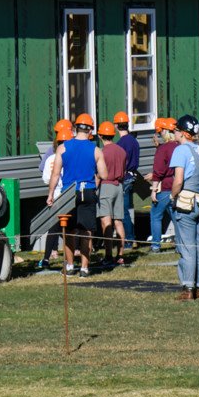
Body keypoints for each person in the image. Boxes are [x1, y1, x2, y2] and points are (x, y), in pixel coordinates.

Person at [47, 113, 107, 277]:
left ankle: (71, 265)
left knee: (70, 230)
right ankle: (84, 268)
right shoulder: (95, 149)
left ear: (75, 128)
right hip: (87, 191)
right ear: (90, 131)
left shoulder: (63, 148)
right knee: (87, 231)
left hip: (68, 193)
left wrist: (50, 194)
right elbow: (104, 174)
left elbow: (55, 174)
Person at [170, 114, 199, 301]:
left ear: (182, 133)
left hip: (186, 204)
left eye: (175, 130)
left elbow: (178, 180)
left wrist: (174, 196)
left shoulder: (180, 151)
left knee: (187, 247)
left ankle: (188, 288)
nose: (173, 133)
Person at [37, 119, 73, 270]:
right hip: (69, 195)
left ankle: (46, 258)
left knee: (53, 229)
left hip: (55, 194)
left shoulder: (51, 157)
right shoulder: (72, 155)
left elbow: (46, 177)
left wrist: (51, 193)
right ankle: (70, 260)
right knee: (70, 229)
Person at [97, 120, 128, 266]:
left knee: (106, 222)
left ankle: (108, 256)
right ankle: (120, 255)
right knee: (119, 222)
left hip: (106, 186)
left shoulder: (102, 152)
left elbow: (99, 174)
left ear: (101, 136)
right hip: (119, 186)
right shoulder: (121, 151)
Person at [148, 117, 179, 252]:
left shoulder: (163, 149)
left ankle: (155, 245)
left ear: (165, 132)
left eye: (161, 132)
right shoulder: (181, 146)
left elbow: (159, 170)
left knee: (156, 215)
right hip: (178, 185)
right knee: (176, 216)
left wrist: (154, 189)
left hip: (165, 186)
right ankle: (180, 244)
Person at [113, 110, 141, 247]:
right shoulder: (134, 141)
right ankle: (130, 238)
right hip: (133, 176)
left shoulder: (120, 144)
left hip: (124, 178)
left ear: (117, 126)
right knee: (127, 209)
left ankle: (130, 239)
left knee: (122, 211)